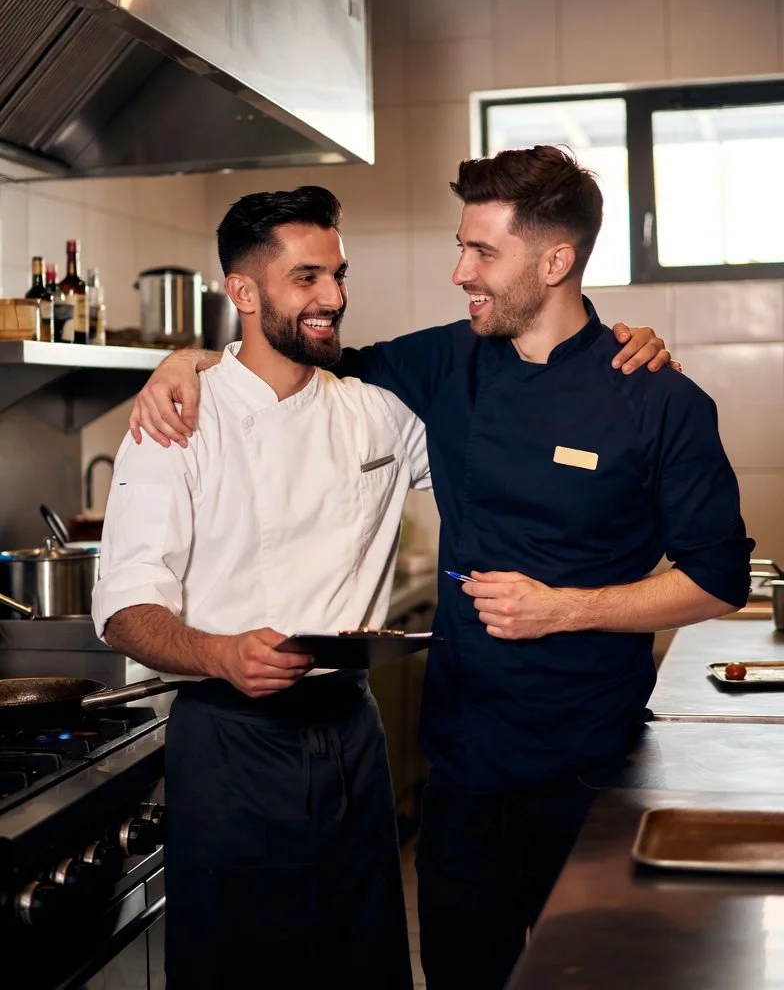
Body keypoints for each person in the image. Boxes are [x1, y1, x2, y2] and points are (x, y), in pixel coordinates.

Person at [130, 148, 746, 990]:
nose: (459, 273)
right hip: (462, 778)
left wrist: (565, 609)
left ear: (556, 261)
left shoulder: (658, 397)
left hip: (594, 775)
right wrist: (182, 360)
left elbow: (719, 578)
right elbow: (289, 351)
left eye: (481, 253)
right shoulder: (438, 368)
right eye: (462, 247)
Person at [92, 187, 433, 990]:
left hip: (351, 731)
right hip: (230, 739)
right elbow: (124, 608)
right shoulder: (178, 420)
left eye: (338, 275)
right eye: (307, 278)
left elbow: (505, 419)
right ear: (242, 292)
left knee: (365, 964)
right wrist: (217, 652)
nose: (335, 298)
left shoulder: (379, 412)